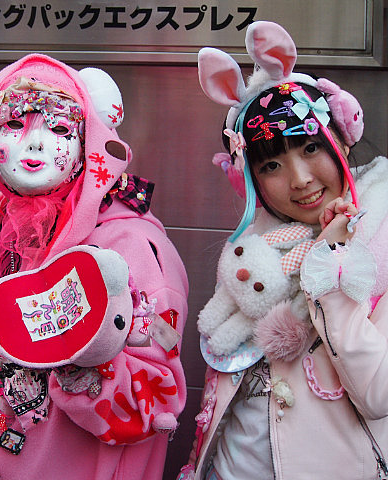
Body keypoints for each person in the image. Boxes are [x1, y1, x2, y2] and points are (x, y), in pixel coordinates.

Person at [0, 54, 188, 480]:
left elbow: (156, 403)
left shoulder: (131, 244)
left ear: (87, 142)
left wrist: (81, 353)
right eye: (15, 124)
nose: (34, 142)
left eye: (58, 128)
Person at [178, 21, 388, 480]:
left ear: (341, 137)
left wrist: (331, 266)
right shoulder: (255, 250)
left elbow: (378, 392)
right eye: (271, 165)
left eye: (311, 147)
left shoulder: (380, 240)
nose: (299, 179)